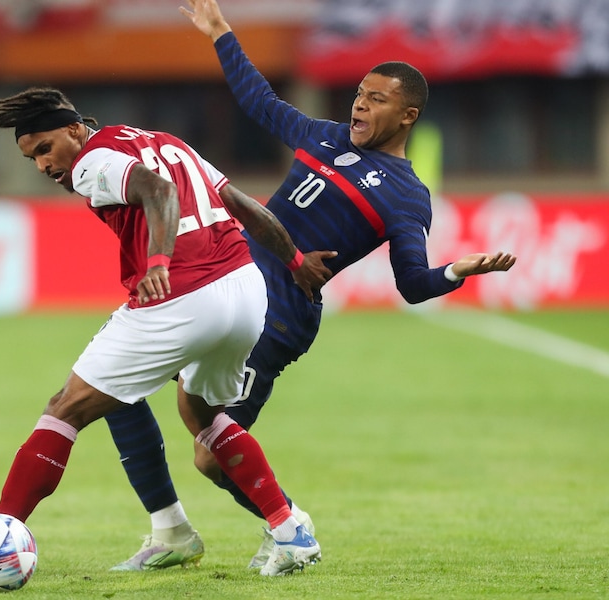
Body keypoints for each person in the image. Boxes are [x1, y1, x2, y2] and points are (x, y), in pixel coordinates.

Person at [104, 0, 518, 573]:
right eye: (359, 93)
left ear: (408, 115)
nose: (360, 104)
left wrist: (456, 271)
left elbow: (412, 285)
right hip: (226, 290)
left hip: (278, 317)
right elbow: (260, 102)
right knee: (148, 397)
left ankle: (289, 527)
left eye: (377, 99)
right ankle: (189, 529)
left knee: (210, 455)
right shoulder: (324, 138)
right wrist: (221, 32)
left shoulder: (405, 195)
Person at [0, 86, 328, 578]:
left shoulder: (93, 160)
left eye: (44, 149)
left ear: (75, 129)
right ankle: (289, 530)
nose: (43, 165)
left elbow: (157, 192)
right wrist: (293, 260)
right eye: (32, 156)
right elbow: (241, 203)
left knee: (66, 408)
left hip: (184, 295)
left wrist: (158, 260)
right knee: (204, 413)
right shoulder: (167, 142)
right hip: (246, 290)